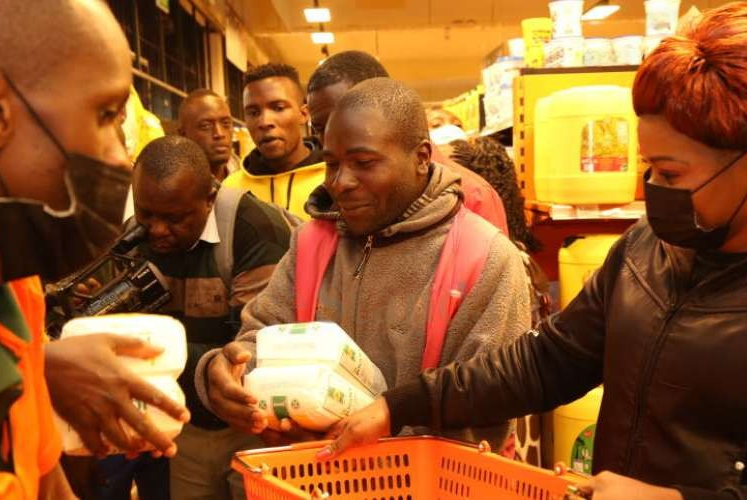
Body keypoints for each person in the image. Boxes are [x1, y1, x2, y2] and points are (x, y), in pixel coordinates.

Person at [322, 3, 747, 499]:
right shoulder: (645, 250)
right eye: (649, 168)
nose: (652, 189)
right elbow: (547, 361)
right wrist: (400, 405)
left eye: (672, 173)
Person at [198, 78, 530, 451]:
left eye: (364, 163)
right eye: (331, 164)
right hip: (316, 482)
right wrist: (225, 375)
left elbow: (486, 401)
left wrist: (358, 442)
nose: (342, 182)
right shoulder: (311, 244)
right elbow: (262, 338)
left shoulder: (485, 259)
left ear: (421, 157)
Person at [0, 0, 189, 497]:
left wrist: (42, 366)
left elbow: (45, 484)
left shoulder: (15, 294)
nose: (121, 154)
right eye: (106, 115)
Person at [131, 136, 291, 499]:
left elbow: (256, 351)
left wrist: (151, 351)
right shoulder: (135, 237)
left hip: (252, 420)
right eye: (146, 214)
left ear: (209, 197)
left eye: (174, 218)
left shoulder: (255, 231)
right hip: (185, 421)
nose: (156, 230)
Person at [306, 50, 510, 234]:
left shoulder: (472, 195)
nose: (331, 137)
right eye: (320, 128)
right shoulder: (333, 193)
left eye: (346, 117)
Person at [223, 63, 324, 221]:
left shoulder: (332, 181)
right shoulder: (231, 190)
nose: (264, 122)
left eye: (278, 108)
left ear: (304, 114)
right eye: (253, 112)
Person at [178, 89, 234, 182]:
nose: (219, 134)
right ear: (183, 135)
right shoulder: (173, 187)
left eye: (226, 123)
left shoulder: (249, 180)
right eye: (206, 126)